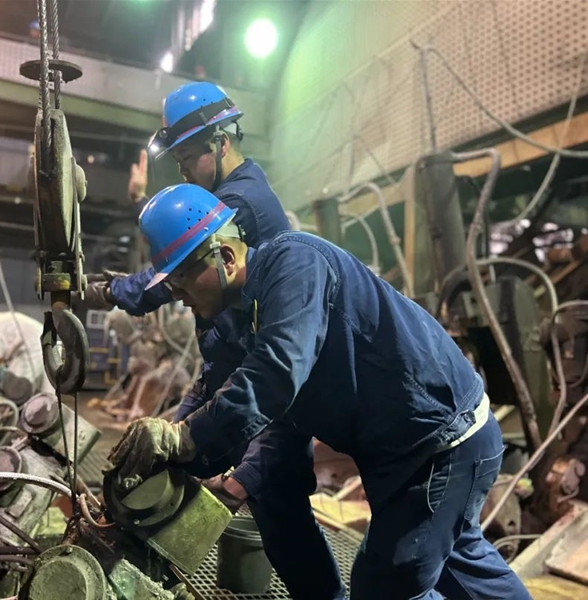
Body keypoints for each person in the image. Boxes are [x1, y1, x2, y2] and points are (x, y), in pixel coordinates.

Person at [108, 184, 533, 600]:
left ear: (226, 257)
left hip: (440, 444)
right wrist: (171, 443)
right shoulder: (244, 313)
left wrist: (184, 438)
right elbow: (223, 386)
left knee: (385, 585)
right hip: (406, 450)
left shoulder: (295, 264)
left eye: (181, 281)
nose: (179, 298)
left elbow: (276, 373)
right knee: (461, 563)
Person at [83, 82, 343, 598]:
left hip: (264, 383)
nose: (183, 171)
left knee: (273, 500)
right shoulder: (238, 193)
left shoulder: (236, 204)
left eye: (186, 159)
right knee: (263, 502)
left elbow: (171, 280)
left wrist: (112, 291)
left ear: (220, 142)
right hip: (236, 366)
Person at [0, 300, 46, 405]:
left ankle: (17, 409)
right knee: (32, 383)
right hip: (38, 341)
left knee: (16, 384)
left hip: (33, 346)